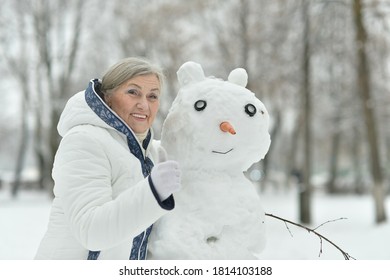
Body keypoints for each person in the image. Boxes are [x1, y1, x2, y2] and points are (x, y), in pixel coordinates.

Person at [35, 57, 181, 260]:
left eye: (152, 96)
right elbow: (91, 231)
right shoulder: (83, 141)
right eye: (133, 92)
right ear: (108, 97)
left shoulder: (152, 153)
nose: (143, 105)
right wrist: (152, 192)